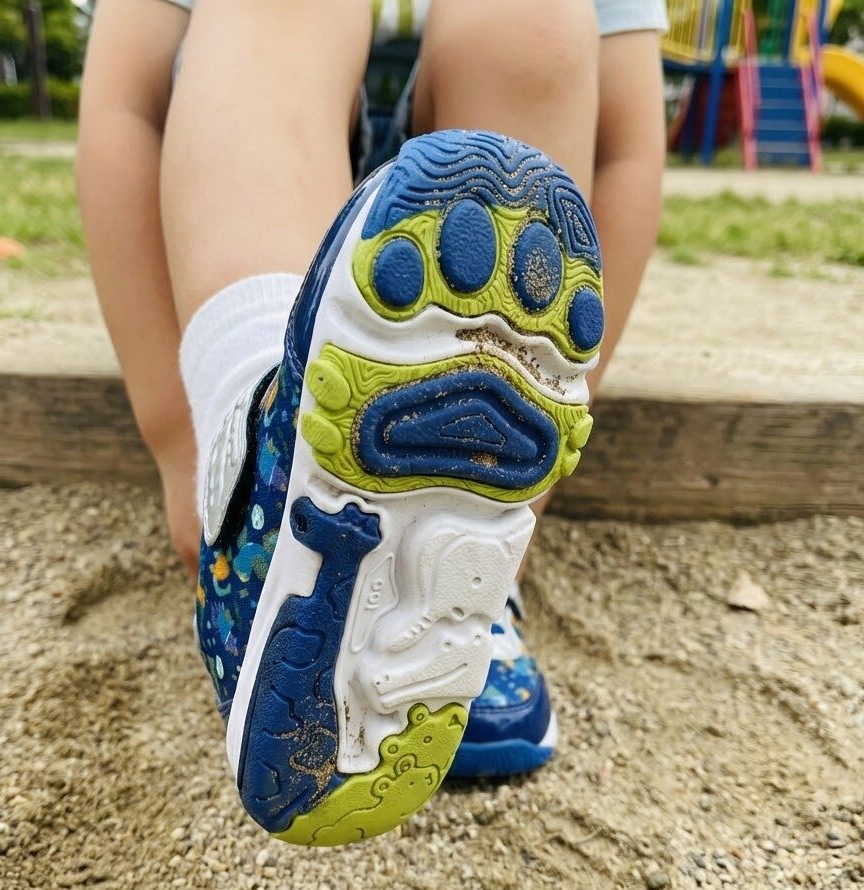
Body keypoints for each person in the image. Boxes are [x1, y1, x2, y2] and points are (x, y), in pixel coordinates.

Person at [77, 0, 666, 846]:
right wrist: (182, 442)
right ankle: (253, 433)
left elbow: (626, 152)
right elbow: (125, 110)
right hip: (239, 205)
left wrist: (517, 508)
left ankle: (461, 556)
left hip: (453, 203)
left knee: (533, 21)